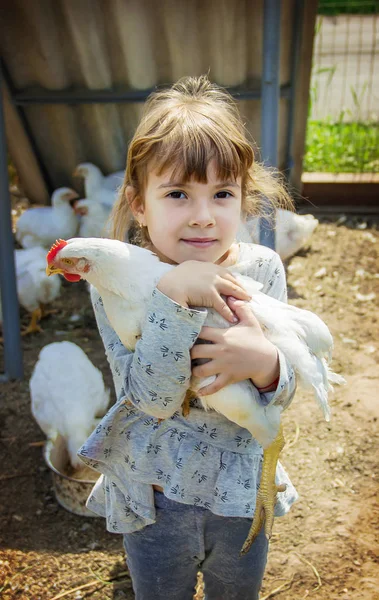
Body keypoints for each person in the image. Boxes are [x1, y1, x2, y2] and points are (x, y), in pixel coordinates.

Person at [78, 75, 298, 600]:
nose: (203, 216)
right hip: (155, 498)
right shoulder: (115, 284)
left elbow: (283, 396)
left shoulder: (262, 270)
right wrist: (175, 298)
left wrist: (266, 364)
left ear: (244, 200)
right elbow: (150, 400)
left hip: (241, 494)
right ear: (139, 205)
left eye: (222, 193)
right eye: (177, 193)